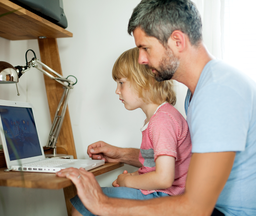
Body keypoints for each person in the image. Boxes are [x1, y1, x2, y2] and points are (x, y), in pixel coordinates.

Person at [56, 0, 256, 215]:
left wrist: (103, 205)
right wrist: (123, 155)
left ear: (177, 41)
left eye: (145, 48)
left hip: (224, 212)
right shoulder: (199, 91)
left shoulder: (218, 92)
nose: (141, 59)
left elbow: (196, 208)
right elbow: (182, 160)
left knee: (86, 207)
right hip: (212, 206)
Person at [69, 47, 192, 216]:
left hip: (166, 197)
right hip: (162, 193)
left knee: (85, 201)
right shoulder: (157, 118)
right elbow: (154, 166)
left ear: (144, 81)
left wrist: (128, 181)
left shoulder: (162, 121)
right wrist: (136, 176)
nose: (117, 90)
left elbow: (164, 179)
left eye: (121, 82)